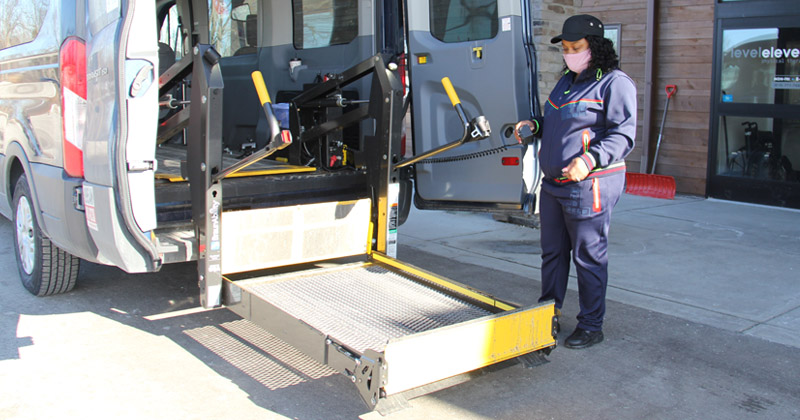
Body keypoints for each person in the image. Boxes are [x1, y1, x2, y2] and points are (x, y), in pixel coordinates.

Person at [515, 14, 636, 349]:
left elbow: (623, 135)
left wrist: (588, 159)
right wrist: (535, 125)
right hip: (554, 184)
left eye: (576, 47)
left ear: (594, 47)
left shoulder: (615, 83)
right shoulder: (567, 80)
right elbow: (557, 121)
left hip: (590, 184)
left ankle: (591, 324)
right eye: (566, 48)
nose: (569, 53)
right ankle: (547, 312)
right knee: (552, 252)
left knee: (588, 255)